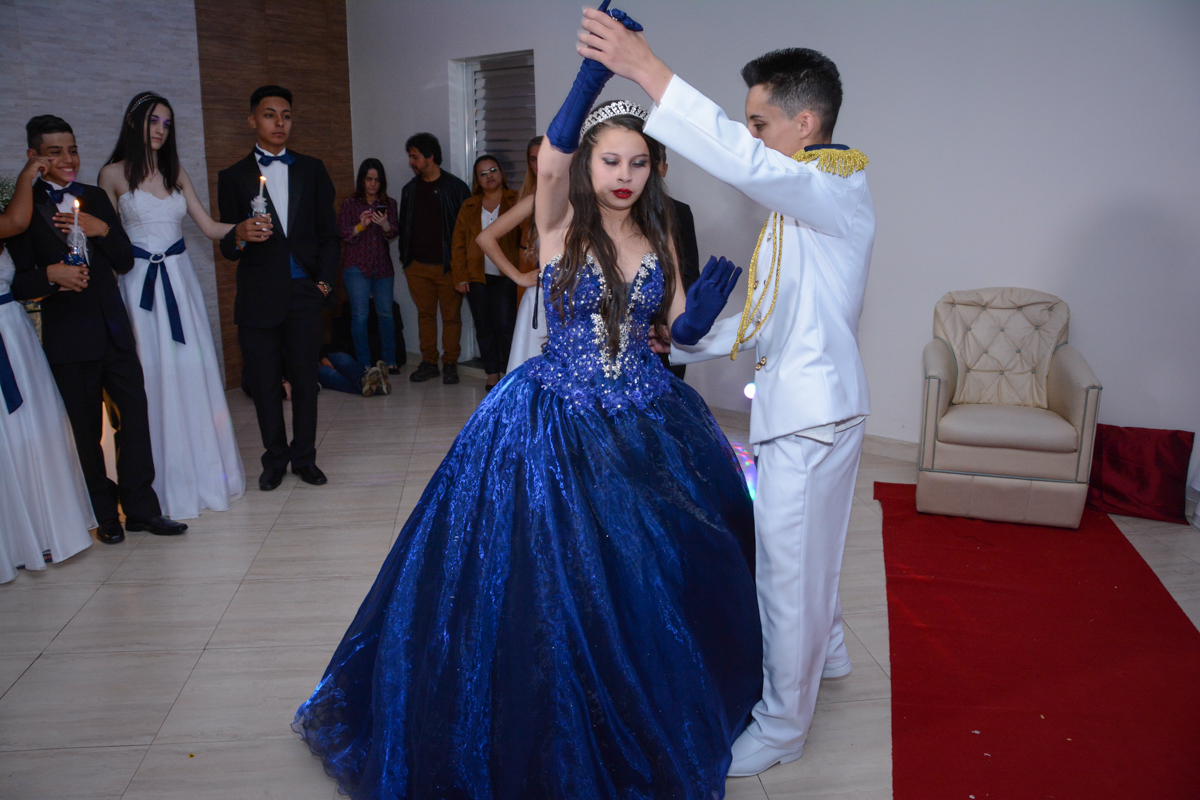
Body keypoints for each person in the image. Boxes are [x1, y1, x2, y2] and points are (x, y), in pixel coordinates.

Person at [292, 8, 763, 794]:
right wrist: (593, 75)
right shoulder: (559, 224)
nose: (623, 174)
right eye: (609, 160)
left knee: (649, 573)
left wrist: (696, 319)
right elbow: (550, 160)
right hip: (552, 416)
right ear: (588, 165)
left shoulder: (661, 236)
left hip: (645, 415)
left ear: (654, 169)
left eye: (637, 163)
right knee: (540, 579)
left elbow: (673, 329)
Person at [578, 14, 875, 775]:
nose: (751, 137)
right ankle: (829, 652)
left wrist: (648, 70)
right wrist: (687, 340)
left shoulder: (825, 186)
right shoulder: (816, 196)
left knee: (786, 570)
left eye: (759, 123)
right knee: (816, 550)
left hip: (809, 414)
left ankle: (782, 725)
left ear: (804, 124)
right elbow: (773, 313)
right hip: (823, 405)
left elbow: (745, 165)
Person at [9, 115, 187, 544]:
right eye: (55, 152)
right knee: (86, 432)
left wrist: (101, 229)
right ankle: (105, 515)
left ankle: (142, 510)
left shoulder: (94, 197)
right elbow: (17, 284)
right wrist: (51, 276)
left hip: (114, 330)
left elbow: (124, 260)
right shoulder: (24, 209)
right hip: (69, 339)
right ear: (34, 157)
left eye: (72, 150)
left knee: (135, 421)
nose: (68, 159)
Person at [98, 91, 246, 520]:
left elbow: (209, 226)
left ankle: (207, 476)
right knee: (151, 377)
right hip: (139, 286)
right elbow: (110, 246)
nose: (161, 130)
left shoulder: (176, 172)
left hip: (180, 283)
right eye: (153, 120)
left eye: (166, 123)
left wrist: (244, 228)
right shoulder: (111, 175)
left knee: (190, 371)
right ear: (133, 122)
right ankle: (158, 488)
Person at [217, 85, 339, 492]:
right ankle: (274, 459)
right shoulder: (232, 177)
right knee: (265, 385)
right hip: (258, 297)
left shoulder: (312, 169)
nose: (279, 123)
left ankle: (305, 459)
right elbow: (228, 248)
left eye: (286, 115)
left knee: (305, 382)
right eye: (270, 115)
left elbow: (330, 235)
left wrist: (324, 285)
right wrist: (239, 235)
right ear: (253, 120)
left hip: (305, 294)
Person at [0, 154, 97, 581]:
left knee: (34, 429)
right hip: (4, 336)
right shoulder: (12, 216)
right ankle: (18, 538)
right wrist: (27, 174)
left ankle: (43, 529)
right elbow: (17, 222)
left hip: (14, 331)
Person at [397, 132, 471, 384]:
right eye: (410, 157)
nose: (411, 162)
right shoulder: (410, 190)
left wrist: (461, 266)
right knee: (425, 316)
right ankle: (429, 362)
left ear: (430, 157)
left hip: (447, 267)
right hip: (416, 267)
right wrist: (406, 259)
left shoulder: (456, 188)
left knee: (451, 318)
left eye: (415, 157)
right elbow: (404, 226)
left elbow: (467, 231)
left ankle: (450, 363)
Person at [451, 154, 520, 390]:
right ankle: (492, 373)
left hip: (507, 275)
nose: (489, 176)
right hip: (476, 276)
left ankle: (510, 373)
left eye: (493, 170)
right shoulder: (469, 206)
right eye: (483, 173)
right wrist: (460, 276)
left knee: (506, 326)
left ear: (501, 173)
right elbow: (458, 244)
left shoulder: (516, 200)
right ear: (477, 180)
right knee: (484, 326)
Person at [338, 158, 400, 373]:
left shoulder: (389, 203)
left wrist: (385, 225)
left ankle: (389, 360)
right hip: (356, 265)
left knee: (386, 313)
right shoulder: (350, 203)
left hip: (382, 265)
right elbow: (342, 233)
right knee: (360, 315)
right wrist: (360, 225)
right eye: (369, 179)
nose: (373, 184)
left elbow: (394, 232)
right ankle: (364, 364)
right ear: (362, 180)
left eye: (377, 180)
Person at [648, 140, 700, 378]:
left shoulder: (678, 212)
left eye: (652, 163)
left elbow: (688, 272)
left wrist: (674, 323)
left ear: (664, 168)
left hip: (665, 325)